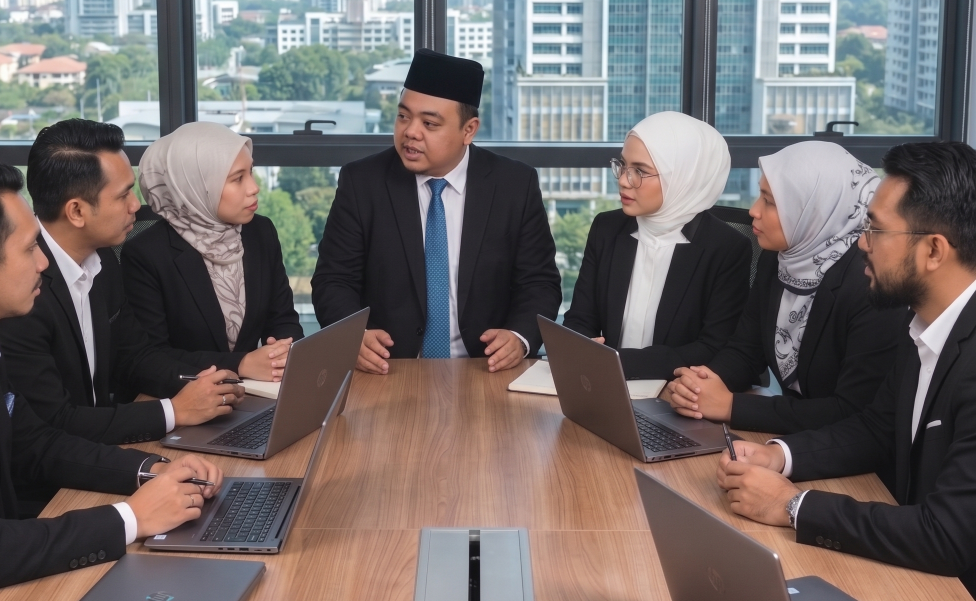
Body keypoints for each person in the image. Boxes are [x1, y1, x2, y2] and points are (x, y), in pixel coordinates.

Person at [0, 160, 223, 601]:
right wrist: (131, 518)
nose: (44, 261)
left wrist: (151, 470)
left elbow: (37, 444)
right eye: (30, 247)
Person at [716, 141, 976, 595]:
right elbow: (876, 429)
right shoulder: (923, 326)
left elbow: (946, 535)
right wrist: (780, 456)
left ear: (934, 250)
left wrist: (794, 506)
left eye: (875, 229)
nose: (860, 243)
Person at [0, 120, 249, 515]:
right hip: (49, 494)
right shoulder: (22, 291)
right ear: (77, 211)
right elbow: (54, 423)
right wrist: (173, 411)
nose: (136, 206)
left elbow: (136, 356)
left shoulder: (103, 262)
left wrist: (221, 380)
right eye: (124, 194)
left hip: (104, 455)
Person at [312, 48, 561, 374]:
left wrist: (519, 337)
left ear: (468, 130)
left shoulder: (514, 185)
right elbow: (333, 280)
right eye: (403, 116)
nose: (411, 132)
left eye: (429, 123)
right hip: (389, 370)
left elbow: (539, 283)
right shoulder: (362, 182)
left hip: (485, 369)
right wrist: (352, 336)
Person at [665, 141, 906, 434]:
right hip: (794, 433)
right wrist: (699, 386)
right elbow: (745, 350)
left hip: (846, 448)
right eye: (760, 195)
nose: (754, 211)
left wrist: (731, 406)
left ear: (815, 210)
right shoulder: (779, 258)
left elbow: (852, 411)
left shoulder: (872, 283)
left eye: (770, 201)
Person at [562, 111, 750, 380]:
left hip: (675, 390)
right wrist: (581, 350)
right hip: (602, 382)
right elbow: (580, 317)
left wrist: (617, 362)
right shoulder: (606, 227)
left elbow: (713, 347)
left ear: (682, 177)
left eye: (639, 171)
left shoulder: (726, 248)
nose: (623, 180)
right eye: (622, 165)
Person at [122, 121, 303, 371]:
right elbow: (151, 356)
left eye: (250, 172)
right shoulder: (145, 254)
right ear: (196, 188)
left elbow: (283, 319)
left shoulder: (261, 232)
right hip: (187, 391)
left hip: (259, 387)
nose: (254, 188)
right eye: (237, 179)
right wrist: (240, 364)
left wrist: (283, 354)